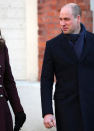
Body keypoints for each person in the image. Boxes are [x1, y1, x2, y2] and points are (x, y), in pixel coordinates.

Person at [41, 3, 94, 131]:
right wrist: (47, 112)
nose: (62, 23)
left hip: (91, 106)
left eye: (67, 19)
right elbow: (46, 80)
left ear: (78, 18)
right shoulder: (52, 46)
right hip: (65, 108)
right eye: (60, 19)